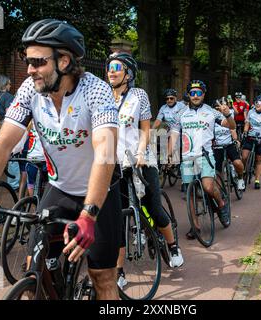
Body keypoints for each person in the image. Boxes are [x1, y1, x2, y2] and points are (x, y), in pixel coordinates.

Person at [0, 19, 122, 300]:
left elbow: (105, 152)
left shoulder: (95, 91)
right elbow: (3, 143)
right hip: (59, 189)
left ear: (64, 61)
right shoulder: (29, 90)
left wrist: (88, 214)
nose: (30, 69)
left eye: (37, 62)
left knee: (103, 278)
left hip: (100, 195)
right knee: (33, 268)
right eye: (28, 61)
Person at [105, 52, 184, 289]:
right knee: (118, 218)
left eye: (116, 67)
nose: (111, 71)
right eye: (109, 67)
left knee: (153, 207)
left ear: (128, 73)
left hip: (141, 160)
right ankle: (119, 271)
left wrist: (141, 153)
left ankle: (172, 246)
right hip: (113, 164)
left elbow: (146, 129)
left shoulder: (139, 95)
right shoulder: (102, 96)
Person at [170, 80, 236, 236]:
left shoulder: (211, 112)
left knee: (208, 187)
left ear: (204, 94)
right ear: (188, 95)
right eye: (192, 93)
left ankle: (221, 204)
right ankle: (195, 226)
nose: (195, 96)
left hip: (205, 156)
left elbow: (231, 126)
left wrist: (227, 114)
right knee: (190, 193)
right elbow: (173, 135)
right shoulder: (180, 114)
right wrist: (170, 155)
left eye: (199, 93)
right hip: (187, 158)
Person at [241, 95, 261, 190]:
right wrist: (245, 132)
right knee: (244, 156)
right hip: (250, 137)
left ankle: (257, 180)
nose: (257, 105)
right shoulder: (251, 112)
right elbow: (247, 123)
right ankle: (242, 172)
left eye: (260, 103)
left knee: (258, 160)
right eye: (256, 103)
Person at [213, 97, 245, 191]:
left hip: (229, 144)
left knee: (238, 163)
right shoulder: (212, 120)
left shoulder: (228, 117)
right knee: (218, 171)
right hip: (217, 147)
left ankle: (240, 178)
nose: (218, 110)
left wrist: (236, 140)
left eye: (219, 108)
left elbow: (232, 129)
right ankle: (221, 191)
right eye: (216, 108)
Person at [152, 88, 186, 165]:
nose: (169, 100)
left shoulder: (181, 106)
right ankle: (164, 162)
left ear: (175, 98)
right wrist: (151, 130)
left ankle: (175, 162)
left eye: (171, 98)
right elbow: (158, 120)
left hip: (181, 130)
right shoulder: (163, 108)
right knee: (162, 135)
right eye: (167, 99)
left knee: (174, 136)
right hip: (170, 130)